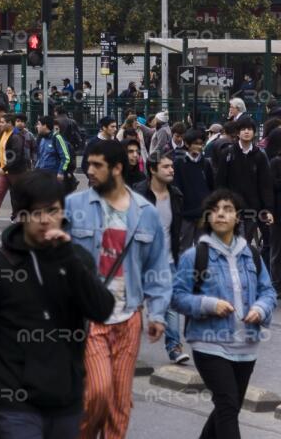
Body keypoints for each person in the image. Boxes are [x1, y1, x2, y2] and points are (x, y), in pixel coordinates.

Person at [0, 175, 116, 439]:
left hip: (67, 399)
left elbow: (101, 309)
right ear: (21, 215)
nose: (45, 220)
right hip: (15, 402)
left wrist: (67, 258)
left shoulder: (76, 260)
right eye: (36, 213)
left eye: (53, 211)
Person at [66, 139, 171, 439]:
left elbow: (158, 268)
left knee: (119, 404)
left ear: (117, 168)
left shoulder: (145, 213)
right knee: (96, 393)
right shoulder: (75, 206)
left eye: (97, 165)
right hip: (91, 318)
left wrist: (159, 314)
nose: (90, 171)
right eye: (88, 165)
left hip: (129, 317)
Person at [171, 189, 276, 439]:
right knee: (228, 406)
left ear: (238, 217)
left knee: (227, 409)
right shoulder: (195, 256)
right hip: (209, 345)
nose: (221, 214)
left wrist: (260, 309)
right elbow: (176, 297)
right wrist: (208, 304)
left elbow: (268, 291)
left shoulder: (251, 254)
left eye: (228, 209)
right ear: (208, 216)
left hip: (246, 346)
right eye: (215, 210)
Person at [214, 118, 275, 251]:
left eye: (249, 129)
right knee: (236, 242)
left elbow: (265, 184)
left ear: (254, 132)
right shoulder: (228, 153)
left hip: (253, 208)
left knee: (245, 241)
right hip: (232, 208)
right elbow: (220, 181)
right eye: (243, 129)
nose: (246, 132)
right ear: (237, 132)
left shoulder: (259, 156)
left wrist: (268, 209)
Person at [175, 128, 215, 251]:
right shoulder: (178, 163)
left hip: (203, 214)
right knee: (183, 249)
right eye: (196, 143)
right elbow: (177, 188)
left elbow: (211, 186)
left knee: (203, 248)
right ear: (187, 144)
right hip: (185, 214)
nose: (199, 147)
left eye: (201, 144)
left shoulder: (206, 163)